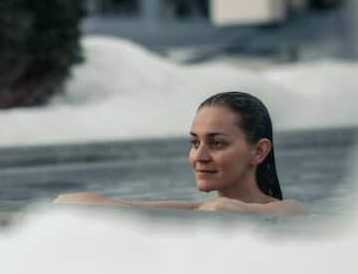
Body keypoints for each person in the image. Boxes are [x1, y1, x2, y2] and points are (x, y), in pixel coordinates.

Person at [54, 92, 305, 215]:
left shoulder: (290, 211)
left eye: (217, 143)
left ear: (258, 152)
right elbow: (134, 207)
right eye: (195, 143)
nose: (200, 156)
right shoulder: (205, 210)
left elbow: (224, 211)